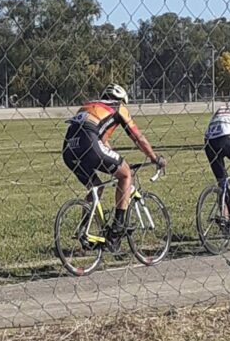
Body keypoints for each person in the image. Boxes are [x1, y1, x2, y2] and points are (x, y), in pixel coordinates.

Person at [62, 84, 163, 248]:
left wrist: (117, 160)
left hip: (68, 148)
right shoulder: (118, 107)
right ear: (121, 99)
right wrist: (154, 158)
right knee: (126, 174)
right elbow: (138, 137)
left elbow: (102, 142)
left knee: (96, 187)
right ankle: (117, 228)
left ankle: (83, 230)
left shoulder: (88, 106)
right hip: (89, 143)